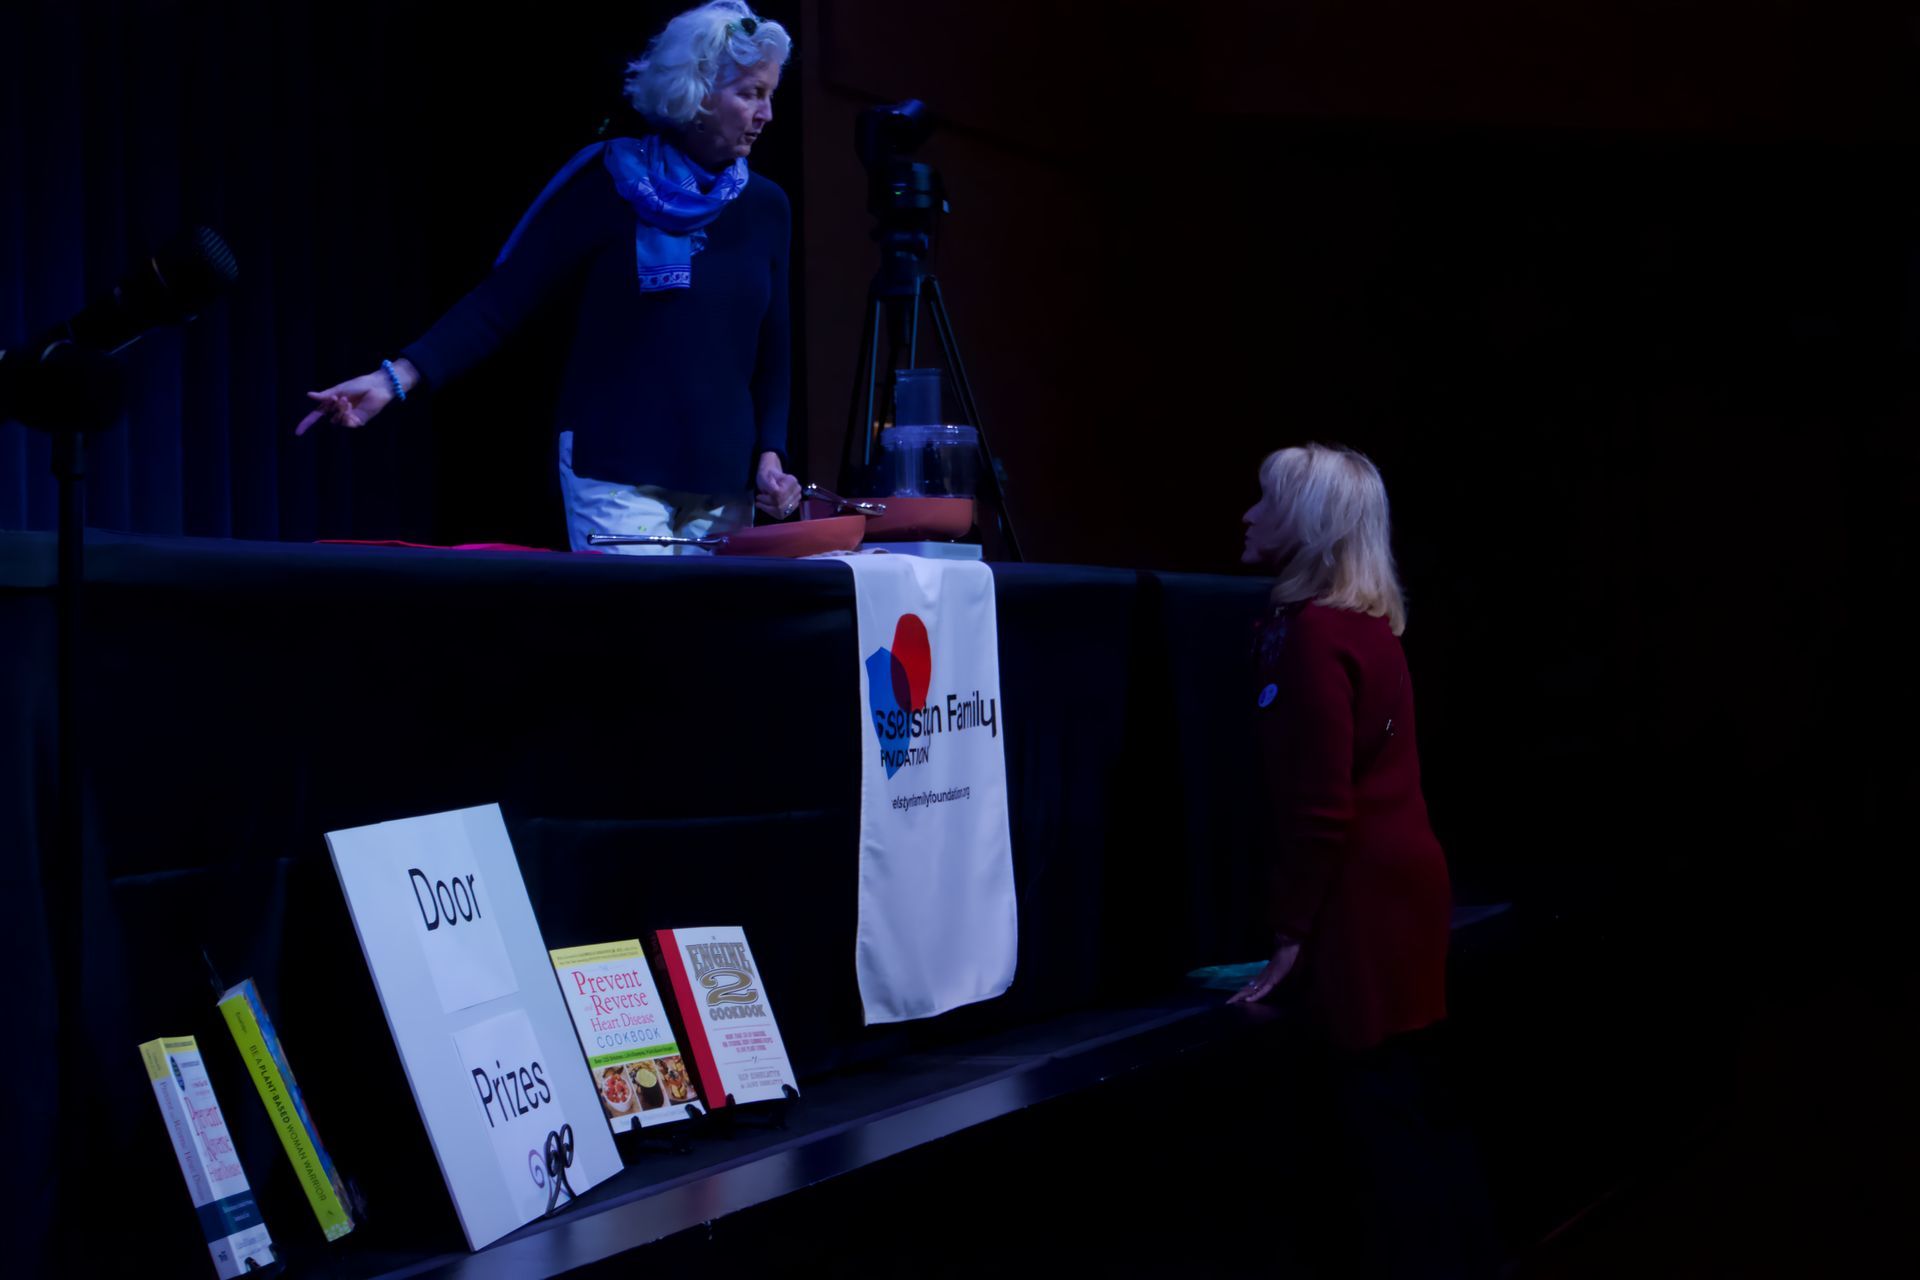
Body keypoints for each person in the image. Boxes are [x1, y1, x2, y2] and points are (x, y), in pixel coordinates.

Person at [297, 2, 802, 553]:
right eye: (750, 94)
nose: (767, 114)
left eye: (770, 94)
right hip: (615, 474)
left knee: (719, 643)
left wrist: (771, 455)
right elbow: (502, 301)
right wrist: (393, 378)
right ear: (696, 92)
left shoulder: (766, 207)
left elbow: (773, 348)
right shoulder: (606, 181)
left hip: (722, 487)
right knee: (639, 642)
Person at [1230, 444, 1496, 1276]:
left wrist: (1290, 935)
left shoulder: (1319, 636)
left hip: (1366, 899)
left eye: (1265, 502)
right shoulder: (1345, 625)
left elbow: (1321, 810)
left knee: (1380, 1105)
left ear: (1306, 525)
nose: (1247, 515)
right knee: (1400, 1094)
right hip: (1389, 886)